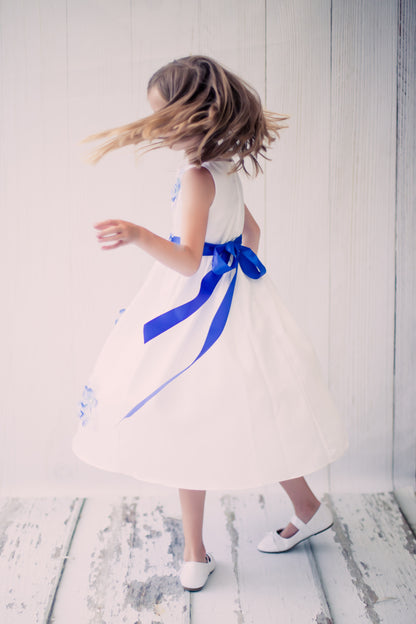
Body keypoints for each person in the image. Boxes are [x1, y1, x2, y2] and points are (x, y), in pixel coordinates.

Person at [72, 55, 349, 592]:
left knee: (189, 418)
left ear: (190, 116)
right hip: (232, 302)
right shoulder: (226, 169)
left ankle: (197, 552)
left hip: (198, 309)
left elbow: (187, 259)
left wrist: (137, 234)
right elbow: (253, 234)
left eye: (163, 116)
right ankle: (304, 508)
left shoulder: (198, 176)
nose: (159, 128)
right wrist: (237, 279)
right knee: (248, 412)